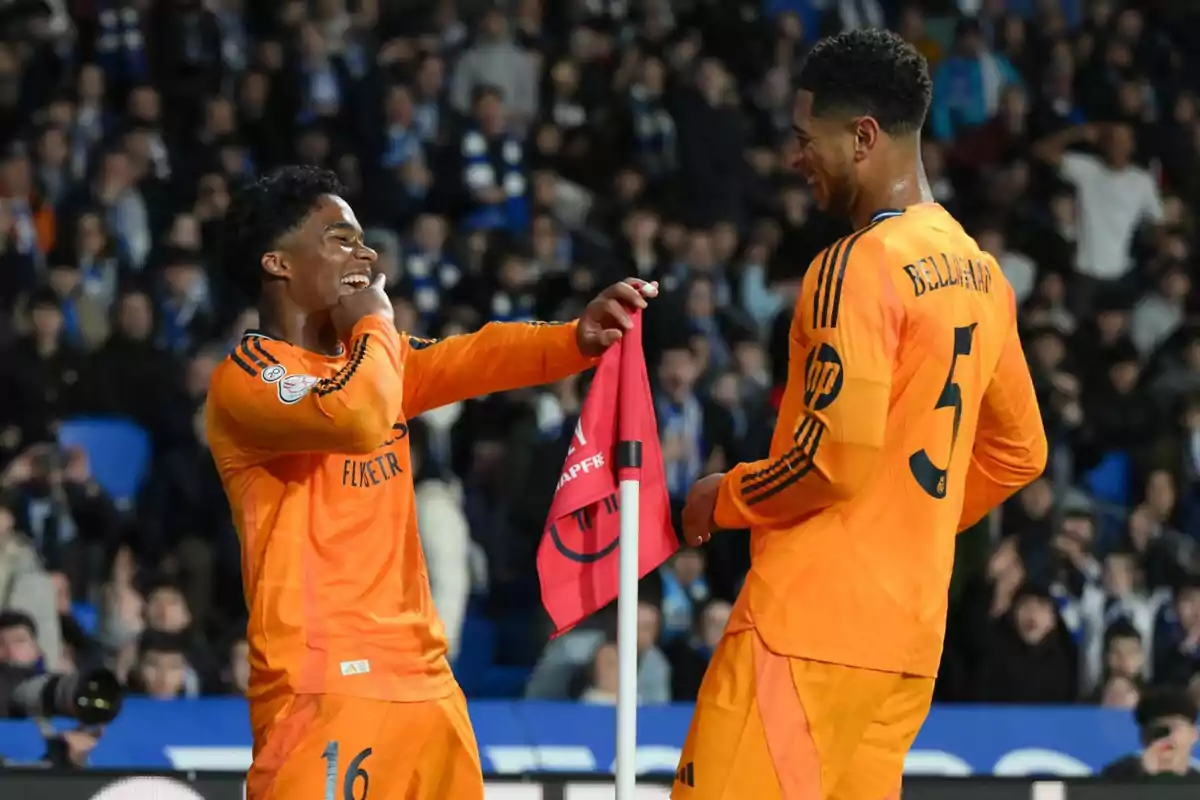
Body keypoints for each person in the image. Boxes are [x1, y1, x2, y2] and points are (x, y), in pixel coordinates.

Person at [675, 30, 1048, 800]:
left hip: (808, 628)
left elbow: (828, 459)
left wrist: (727, 495)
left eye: (806, 140)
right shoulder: (981, 271)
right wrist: (906, 521)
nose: (794, 158)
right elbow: (1020, 454)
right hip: (908, 644)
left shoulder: (856, 265)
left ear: (863, 137)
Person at [204, 165, 655, 800]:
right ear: (278, 263)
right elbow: (358, 416)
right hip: (324, 686)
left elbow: (471, 356)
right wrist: (375, 325)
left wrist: (573, 339)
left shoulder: (377, 361)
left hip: (425, 684)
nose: (365, 255)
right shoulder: (248, 379)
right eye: (340, 238)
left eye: (364, 240)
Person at [1100, 686, 1200, 777]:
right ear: (1144, 737)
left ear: (1193, 734)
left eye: (1174, 727)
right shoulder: (1117, 777)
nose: (1166, 738)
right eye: (1159, 731)